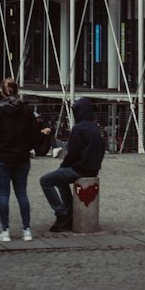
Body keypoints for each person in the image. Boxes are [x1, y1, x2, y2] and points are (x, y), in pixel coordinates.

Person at [0, 78, 48, 242]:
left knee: (3, 195)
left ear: (2, 93)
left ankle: (5, 230)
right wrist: (27, 148)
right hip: (21, 157)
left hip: (1, 157)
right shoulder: (26, 111)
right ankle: (27, 230)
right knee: (22, 194)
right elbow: (35, 133)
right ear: (18, 91)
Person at [39, 97, 105, 232]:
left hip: (80, 169)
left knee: (46, 180)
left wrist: (63, 165)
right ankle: (69, 210)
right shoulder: (95, 128)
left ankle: (62, 212)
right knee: (60, 179)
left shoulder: (79, 128)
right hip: (93, 169)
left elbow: (72, 153)